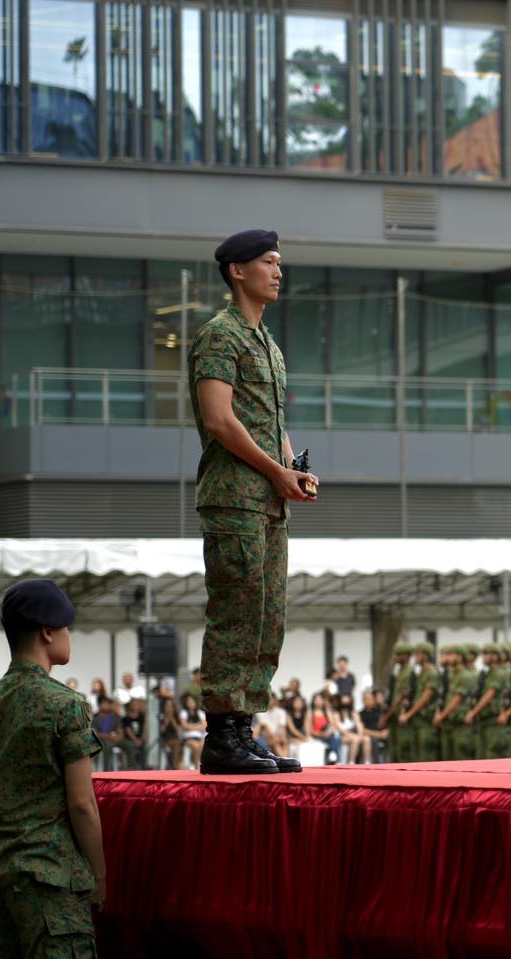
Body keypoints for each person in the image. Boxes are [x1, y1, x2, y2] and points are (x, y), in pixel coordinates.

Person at [189, 228, 317, 775]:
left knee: (267, 618)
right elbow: (219, 420)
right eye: (268, 261)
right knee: (236, 615)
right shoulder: (221, 336)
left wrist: (291, 470)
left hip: (267, 502)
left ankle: (242, 729)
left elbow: (272, 422)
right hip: (234, 500)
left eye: (279, 262)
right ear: (237, 271)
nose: (278, 271)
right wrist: (274, 471)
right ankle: (222, 737)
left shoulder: (267, 342)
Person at [0, 581, 106, 957]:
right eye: (66, 626)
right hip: (51, 881)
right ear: (47, 632)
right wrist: (99, 874)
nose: (69, 635)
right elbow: (82, 804)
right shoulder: (65, 705)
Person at [177, 693, 206, 769]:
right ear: (186, 704)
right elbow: (184, 726)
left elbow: (204, 726)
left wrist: (191, 726)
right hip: (188, 737)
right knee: (195, 746)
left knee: (203, 744)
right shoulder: (184, 713)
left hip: (200, 737)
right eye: (189, 702)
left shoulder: (200, 713)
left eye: (192, 702)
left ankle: (200, 762)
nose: (191, 704)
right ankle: (197, 763)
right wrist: (198, 726)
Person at [119, 696, 147, 769]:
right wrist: (136, 740)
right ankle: (131, 767)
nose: (135, 706)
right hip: (129, 740)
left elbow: (144, 729)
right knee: (131, 746)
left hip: (140, 740)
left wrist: (141, 739)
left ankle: (143, 767)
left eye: (137, 704)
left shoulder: (141, 717)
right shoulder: (126, 718)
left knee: (143, 747)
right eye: (133, 704)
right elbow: (128, 731)